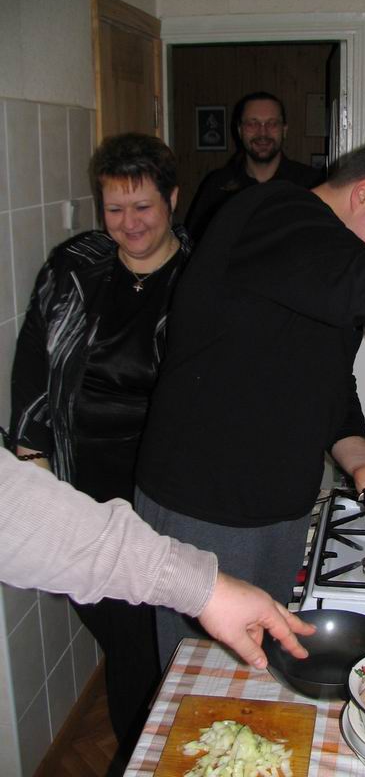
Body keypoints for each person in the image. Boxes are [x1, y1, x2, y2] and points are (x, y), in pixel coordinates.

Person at [135, 138, 365, 667]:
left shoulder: (316, 264)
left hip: (272, 509)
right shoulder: (272, 213)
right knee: (203, 687)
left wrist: (361, 461)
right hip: (206, 509)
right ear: (364, 194)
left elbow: (328, 378)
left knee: (255, 675)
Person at [10, 133, 192, 757]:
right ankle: (145, 750)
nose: (129, 223)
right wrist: (30, 455)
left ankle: (146, 750)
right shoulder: (74, 265)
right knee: (122, 629)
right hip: (79, 475)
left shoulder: (200, 275)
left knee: (146, 630)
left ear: (172, 199)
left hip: (164, 481)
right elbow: (33, 363)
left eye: (143, 206)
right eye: (114, 208)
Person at [0, 448, 314, 671]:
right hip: (134, 490)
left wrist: (204, 588)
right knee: (135, 657)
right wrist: (203, 587)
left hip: (130, 533)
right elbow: (21, 516)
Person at [184, 91, 322, 241]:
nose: (262, 133)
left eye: (272, 123)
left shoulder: (310, 184)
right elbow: (195, 243)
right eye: (252, 124)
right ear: (240, 131)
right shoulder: (217, 186)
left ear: (284, 130)